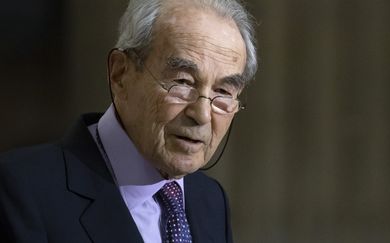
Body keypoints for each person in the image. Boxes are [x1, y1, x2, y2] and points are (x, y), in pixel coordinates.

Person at [0, 0, 257, 242]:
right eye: (182, 82)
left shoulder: (210, 200)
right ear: (120, 73)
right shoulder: (21, 189)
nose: (201, 114)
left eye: (223, 92)